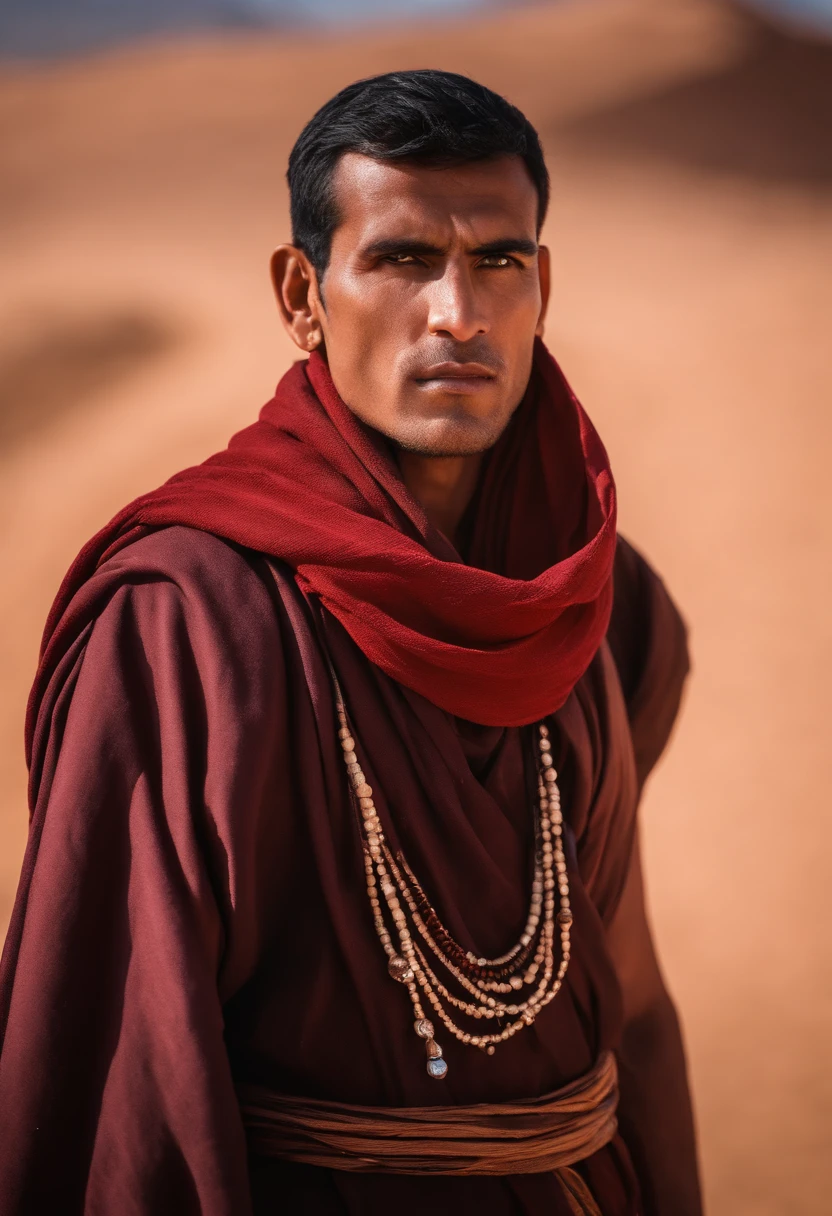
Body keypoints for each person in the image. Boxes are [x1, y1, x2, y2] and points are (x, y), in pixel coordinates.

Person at [0, 70, 702, 1215]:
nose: (458, 314)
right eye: (402, 258)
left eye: (499, 260)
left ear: (543, 285)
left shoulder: (595, 599)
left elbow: (639, 1001)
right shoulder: (185, 618)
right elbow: (123, 1092)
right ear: (301, 292)